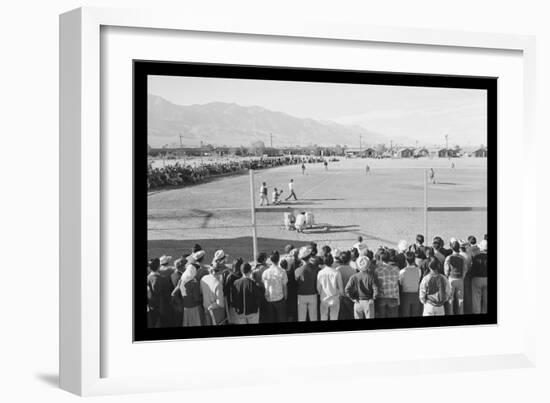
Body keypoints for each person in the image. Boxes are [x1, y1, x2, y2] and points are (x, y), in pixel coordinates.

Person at [262, 251, 288, 323]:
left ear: (270, 260)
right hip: (280, 299)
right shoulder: (282, 271)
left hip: (269, 299)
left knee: (271, 320)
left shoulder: (265, 272)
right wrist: (285, 297)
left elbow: (265, 286)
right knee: (282, 319)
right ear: (279, 259)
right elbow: (284, 286)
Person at [316, 254, 344, 320]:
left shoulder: (320, 272)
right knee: (334, 317)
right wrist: (340, 294)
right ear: (332, 262)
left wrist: (320, 293)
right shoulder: (336, 272)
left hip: (324, 298)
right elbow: (341, 288)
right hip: (335, 298)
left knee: (323, 316)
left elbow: (318, 287)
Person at [295, 246, 319, 322]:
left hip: (301, 295)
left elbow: (297, 282)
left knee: (301, 318)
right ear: (310, 257)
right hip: (313, 294)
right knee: (313, 317)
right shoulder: (316, 269)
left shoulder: (297, 270)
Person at [374, 249, 400, 318]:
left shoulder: (377, 270)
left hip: (381, 297)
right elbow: (399, 280)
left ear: (381, 259)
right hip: (393, 297)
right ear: (389, 259)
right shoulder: (396, 269)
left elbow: (375, 283)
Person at [444, 240, 466, 315]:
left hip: (451, 279)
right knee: (460, 299)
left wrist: (447, 277)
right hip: (460, 278)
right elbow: (465, 269)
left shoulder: (449, 258)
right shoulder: (462, 258)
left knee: (450, 299)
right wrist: (462, 277)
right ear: (459, 248)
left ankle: (450, 313)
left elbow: (446, 270)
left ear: (451, 248)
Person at [334, 250, 357, 320]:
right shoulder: (353, 270)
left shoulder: (337, 270)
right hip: (351, 297)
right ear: (349, 259)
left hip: (340, 297)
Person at [399, 251, 422, 317]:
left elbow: (401, 283)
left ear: (406, 260)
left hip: (405, 295)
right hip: (416, 295)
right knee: (415, 314)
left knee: (405, 314)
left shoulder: (402, 271)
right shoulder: (419, 270)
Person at [223, 258, 243, 324]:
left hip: (233, 305)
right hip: (242, 304)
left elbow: (226, 292)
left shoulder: (230, 276)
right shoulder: (243, 276)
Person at [470, 240, 488, 314]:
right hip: (486, 279)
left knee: (476, 299)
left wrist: (471, 277)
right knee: (486, 299)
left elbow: (473, 269)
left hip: (477, 279)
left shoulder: (476, 257)